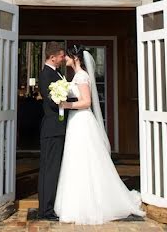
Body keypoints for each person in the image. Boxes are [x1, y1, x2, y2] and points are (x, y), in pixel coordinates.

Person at [54, 45, 144, 225]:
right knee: (76, 160)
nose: (65, 59)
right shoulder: (76, 76)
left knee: (85, 159)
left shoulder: (81, 76)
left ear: (75, 58)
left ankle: (91, 204)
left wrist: (65, 105)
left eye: (68, 57)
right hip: (75, 121)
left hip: (81, 121)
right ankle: (75, 202)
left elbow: (86, 102)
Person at [37, 42, 70, 222]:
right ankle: (45, 210)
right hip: (51, 128)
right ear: (52, 57)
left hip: (58, 128)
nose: (63, 59)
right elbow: (51, 101)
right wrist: (67, 99)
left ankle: (49, 206)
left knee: (54, 169)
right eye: (61, 56)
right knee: (49, 169)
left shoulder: (57, 73)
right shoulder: (46, 75)